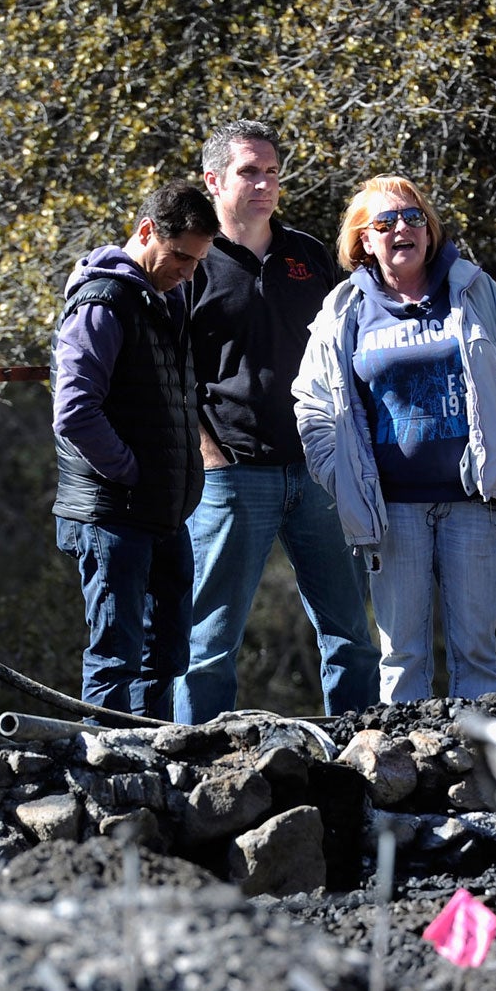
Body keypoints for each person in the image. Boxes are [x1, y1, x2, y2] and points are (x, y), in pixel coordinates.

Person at [294, 176, 496, 702]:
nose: (401, 230)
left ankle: (480, 771)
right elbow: (312, 402)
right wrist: (337, 471)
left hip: (474, 501)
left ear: (429, 231)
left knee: (476, 650)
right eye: (384, 223)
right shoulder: (343, 310)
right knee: (403, 654)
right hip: (392, 510)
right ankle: (404, 772)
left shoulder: (474, 290)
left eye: (412, 218)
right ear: (364, 240)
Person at [173, 120, 379, 724]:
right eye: (248, 172)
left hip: (317, 472)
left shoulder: (307, 255)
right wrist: (208, 453)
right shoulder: (194, 262)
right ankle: (198, 764)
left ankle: (362, 751)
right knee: (207, 647)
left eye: (271, 171)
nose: (263, 184)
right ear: (213, 181)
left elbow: (352, 347)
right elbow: (169, 370)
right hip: (232, 476)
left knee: (352, 639)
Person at [50, 180, 218, 718]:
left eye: (197, 262)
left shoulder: (162, 298)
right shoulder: (103, 302)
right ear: (147, 232)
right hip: (113, 514)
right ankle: (106, 772)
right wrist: (131, 472)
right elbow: (74, 411)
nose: (188, 273)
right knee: (115, 657)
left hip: (160, 512)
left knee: (165, 655)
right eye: (180, 258)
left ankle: (156, 767)